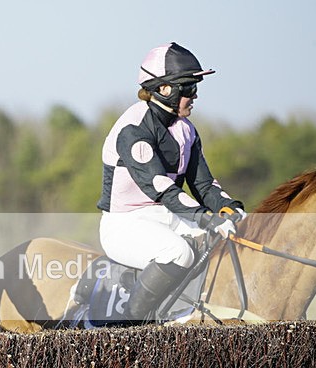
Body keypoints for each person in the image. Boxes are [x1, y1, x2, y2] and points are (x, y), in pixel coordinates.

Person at [97, 42, 246, 321]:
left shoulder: (186, 130)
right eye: (188, 88)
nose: (195, 95)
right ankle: (129, 329)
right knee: (178, 253)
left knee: (223, 244)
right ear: (164, 89)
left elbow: (203, 185)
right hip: (124, 223)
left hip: (165, 216)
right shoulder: (133, 128)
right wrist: (205, 218)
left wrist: (229, 208)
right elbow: (162, 188)